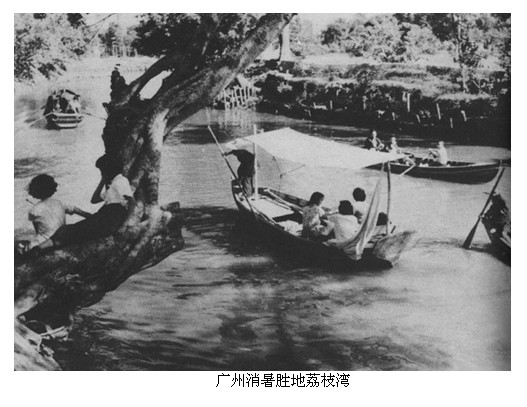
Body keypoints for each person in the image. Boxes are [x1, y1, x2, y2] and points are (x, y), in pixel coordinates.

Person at [34, 155, 135, 252]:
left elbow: (132, 203)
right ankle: (41, 248)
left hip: (110, 218)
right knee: (70, 230)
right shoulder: (113, 185)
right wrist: (102, 181)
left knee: (71, 231)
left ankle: (41, 248)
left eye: (102, 171)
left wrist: (124, 225)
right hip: (105, 216)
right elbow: (94, 200)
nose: (101, 174)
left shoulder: (120, 180)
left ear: (109, 170)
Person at [16, 174, 91, 256]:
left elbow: (38, 232)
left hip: (43, 243)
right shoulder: (60, 202)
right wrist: (90, 217)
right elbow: (78, 211)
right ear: (52, 188)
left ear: (34, 190)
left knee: (19, 244)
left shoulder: (33, 210)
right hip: (62, 239)